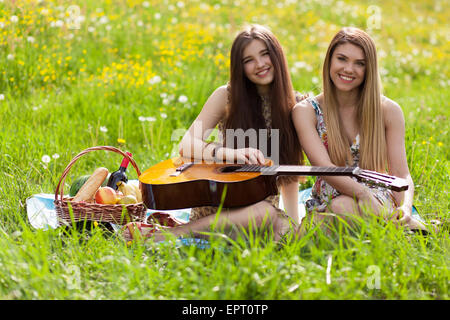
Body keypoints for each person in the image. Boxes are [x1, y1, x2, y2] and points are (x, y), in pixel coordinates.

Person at [123, 24, 305, 243]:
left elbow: (289, 175)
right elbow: (187, 144)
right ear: (240, 67)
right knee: (264, 213)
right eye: (249, 60)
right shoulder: (227, 96)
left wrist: (294, 221)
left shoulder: (295, 105)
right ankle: (173, 235)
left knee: (283, 227)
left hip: (259, 216)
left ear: (277, 56)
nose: (260, 65)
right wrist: (231, 154)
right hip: (219, 207)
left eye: (265, 54)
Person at [292, 27, 428, 235]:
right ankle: (399, 232)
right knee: (336, 210)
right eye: (342, 59)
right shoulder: (306, 111)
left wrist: (406, 208)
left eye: (359, 64)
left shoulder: (388, 111)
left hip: (376, 197)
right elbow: (324, 167)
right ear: (329, 60)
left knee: (340, 210)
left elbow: (400, 173)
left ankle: (398, 226)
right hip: (328, 197)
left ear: (369, 69)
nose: (348, 69)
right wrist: (361, 194)